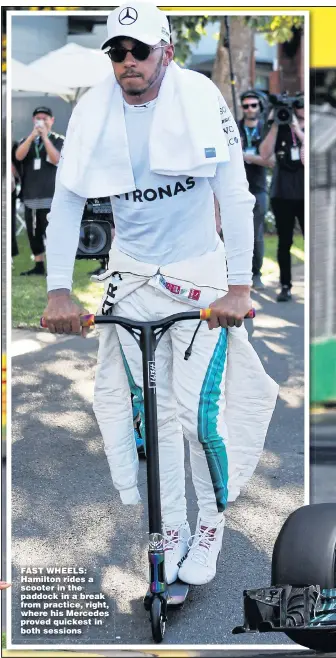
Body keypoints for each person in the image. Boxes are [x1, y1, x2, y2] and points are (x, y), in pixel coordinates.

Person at [43, 2, 278, 587]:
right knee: (152, 417)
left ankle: (210, 527)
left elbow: (239, 195)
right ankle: (170, 528)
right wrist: (57, 291)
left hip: (198, 277)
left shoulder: (202, 97)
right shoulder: (95, 109)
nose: (127, 63)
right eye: (116, 53)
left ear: (165, 52)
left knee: (199, 419)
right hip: (132, 275)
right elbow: (68, 203)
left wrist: (239, 286)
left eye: (138, 51)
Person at [259, 95, 304, 302]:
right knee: (284, 242)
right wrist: (276, 124)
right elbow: (265, 154)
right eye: (297, 105)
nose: (300, 108)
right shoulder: (280, 125)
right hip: (282, 193)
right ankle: (285, 285)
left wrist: (297, 129)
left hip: (306, 193)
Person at [15, 107, 64, 276]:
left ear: (52, 120)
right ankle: (38, 265)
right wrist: (32, 137)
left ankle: (56, 267)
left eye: (44, 118)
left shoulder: (58, 140)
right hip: (31, 197)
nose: (41, 121)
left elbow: (56, 158)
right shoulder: (26, 140)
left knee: (53, 234)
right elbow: (19, 156)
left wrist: (44, 136)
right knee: (34, 233)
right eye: (37, 118)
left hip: (52, 197)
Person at [238, 90, 274, 289]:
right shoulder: (235, 128)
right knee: (233, 233)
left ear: (259, 107)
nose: (250, 109)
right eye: (246, 106)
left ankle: (255, 274)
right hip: (236, 189)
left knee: (255, 234)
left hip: (258, 189)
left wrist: (246, 156)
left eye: (253, 105)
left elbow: (271, 161)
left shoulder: (265, 130)